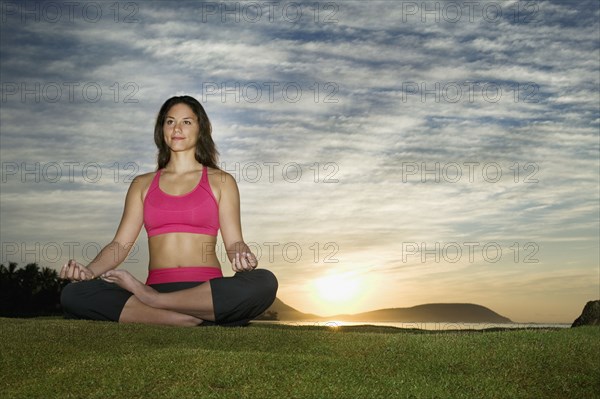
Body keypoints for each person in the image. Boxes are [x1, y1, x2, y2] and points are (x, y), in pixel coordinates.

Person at [60, 95, 278, 327]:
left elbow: (234, 243)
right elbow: (119, 246)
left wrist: (241, 256)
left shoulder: (221, 181)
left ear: (200, 129)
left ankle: (161, 306)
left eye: (187, 122)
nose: (177, 128)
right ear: (161, 129)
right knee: (73, 294)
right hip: (155, 285)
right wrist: (88, 272)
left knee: (265, 281)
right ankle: (183, 317)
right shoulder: (142, 185)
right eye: (170, 121)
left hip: (205, 293)